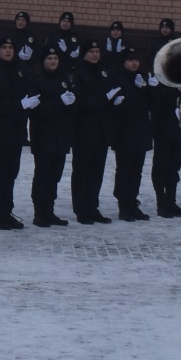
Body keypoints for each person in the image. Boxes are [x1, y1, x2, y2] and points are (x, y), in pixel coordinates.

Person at [0, 38, 35, 229]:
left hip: (17, 130)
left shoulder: (18, 71)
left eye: (11, 47)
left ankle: (6, 210)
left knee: (11, 173)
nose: (8, 51)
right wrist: (20, 105)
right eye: (4, 47)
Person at [27, 48, 75, 226]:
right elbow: (36, 111)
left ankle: (49, 209)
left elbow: (70, 107)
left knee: (55, 175)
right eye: (49, 58)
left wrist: (69, 104)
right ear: (43, 61)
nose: (53, 61)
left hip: (61, 135)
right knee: (43, 174)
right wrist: (59, 103)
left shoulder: (63, 80)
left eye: (55, 58)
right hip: (43, 136)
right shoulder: (37, 82)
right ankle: (39, 212)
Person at [70, 41, 115, 225]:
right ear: (84, 54)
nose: (95, 55)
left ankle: (93, 207)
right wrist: (104, 98)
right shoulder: (78, 73)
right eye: (91, 51)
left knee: (97, 171)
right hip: (84, 129)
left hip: (102, 130)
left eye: (97, 51)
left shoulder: (104, 72)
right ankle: (81, 209)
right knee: (82, 171)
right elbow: (81, 101)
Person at [149, 18, 181, 217]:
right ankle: (161, 201)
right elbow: (156, 102)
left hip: (179, 126)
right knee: (161, 164)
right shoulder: (159, 76)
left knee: (174, 166)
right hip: (163, 125)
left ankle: (171, 201)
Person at [109, 50, 154, 220]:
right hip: (124, 131)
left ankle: (132, 202)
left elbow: (150, 104)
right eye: (130, 60)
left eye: (136, 60)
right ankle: (123, 205)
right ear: (123, 62)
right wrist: (136, 90)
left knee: (137, 170)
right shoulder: (118, 78)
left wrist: (151, 89)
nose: (134, 63)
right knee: (124, 170)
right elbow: (119, 104)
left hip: (141, 129)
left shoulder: (142, 78)